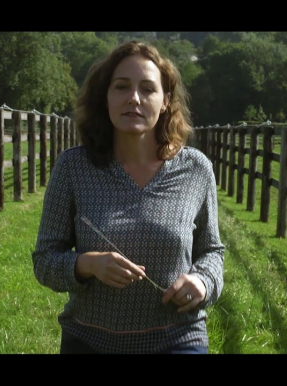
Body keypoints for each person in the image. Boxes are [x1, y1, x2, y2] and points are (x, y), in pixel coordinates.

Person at [31, 40, 225, 354]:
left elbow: (212, 253)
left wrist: (203, 283)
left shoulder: (196, 169)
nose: (133, 98)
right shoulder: (73, 167)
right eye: (121, 87)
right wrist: (86, 264)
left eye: (147, 89)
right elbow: (44, 261)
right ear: (105, 97)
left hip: (178, 339)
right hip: (90, 342)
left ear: (165, 101)